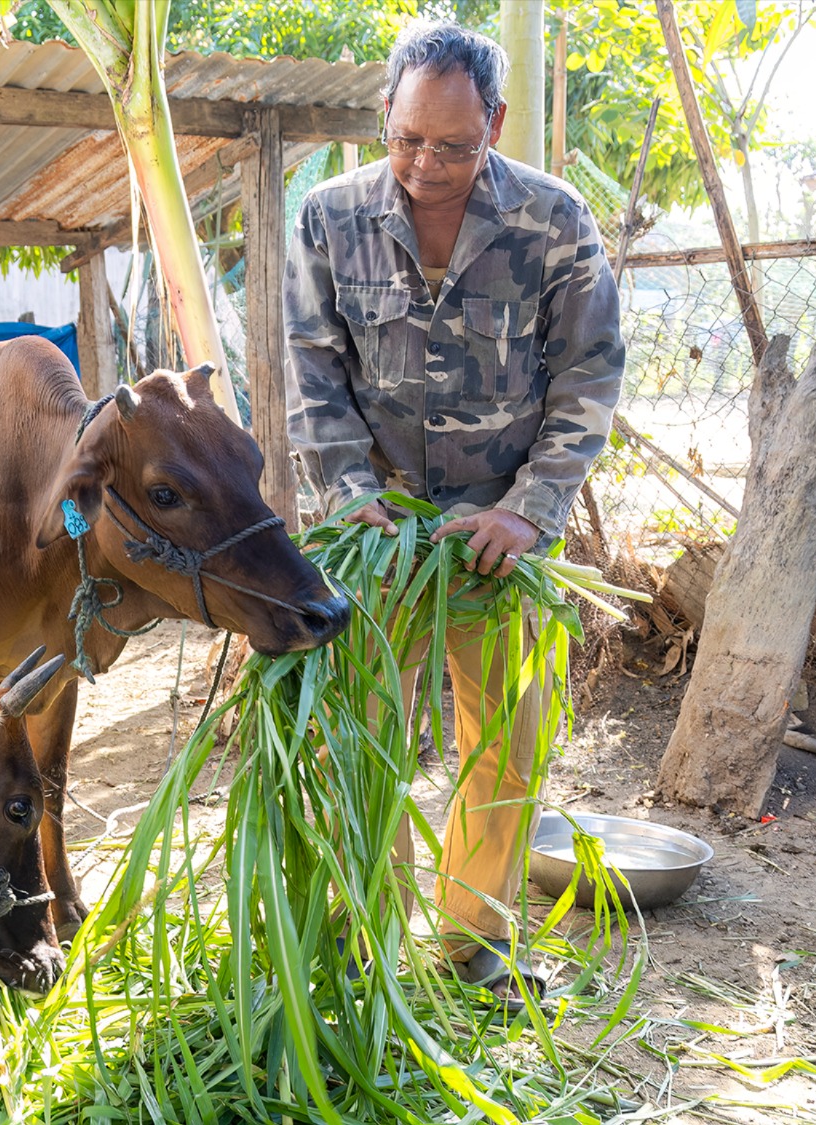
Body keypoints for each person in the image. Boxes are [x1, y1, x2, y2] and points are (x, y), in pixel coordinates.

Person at [282, 18, 623, 1003]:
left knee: (502, 738)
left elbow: (587, 376)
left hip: (497, 531)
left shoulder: (554, 223)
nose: (424, 166)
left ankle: (478, 947)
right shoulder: (325, 218)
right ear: (382, 115)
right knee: (354, 735)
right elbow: (310, 370)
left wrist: (529, 509)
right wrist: (347, 493)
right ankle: (354, 943)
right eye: (405, 139)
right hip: (373, 529)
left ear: (496, 125)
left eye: (453, 146)